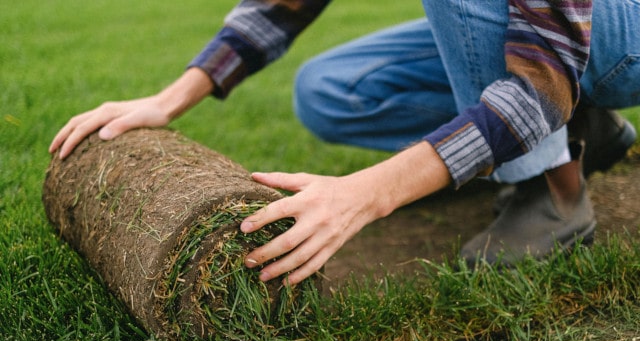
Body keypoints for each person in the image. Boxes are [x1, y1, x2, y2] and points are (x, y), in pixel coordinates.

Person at [50, 1, 639, 285]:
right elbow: (282, 6)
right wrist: (170, 98)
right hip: (541, 29)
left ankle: (550, 187)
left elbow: (542, 82)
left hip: (614, 31)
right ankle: (580, 129)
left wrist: (367, 194)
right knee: (330, 89)